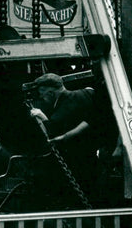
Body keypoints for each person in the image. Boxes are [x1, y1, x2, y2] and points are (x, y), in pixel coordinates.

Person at [28, 73, 99, 201]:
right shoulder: (87, 93)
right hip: (95, 153)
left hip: (79, 159)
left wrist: (41, 115)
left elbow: (53, 130)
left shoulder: (66, 103)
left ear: (50, 93)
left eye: (41, 93)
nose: (41, 97)